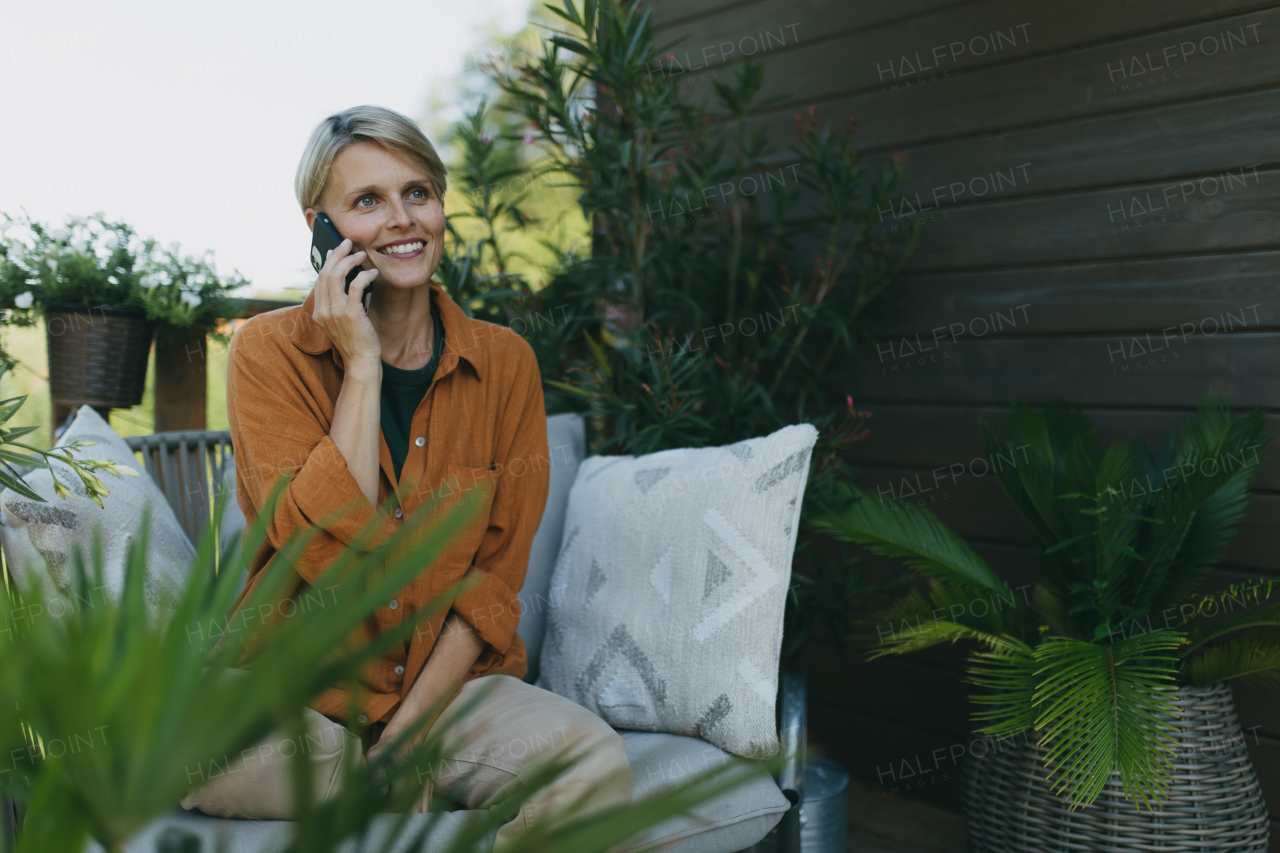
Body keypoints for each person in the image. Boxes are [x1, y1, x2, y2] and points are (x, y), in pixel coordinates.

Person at [188, 105, 632, 843]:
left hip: (445, 689)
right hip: (298, 694)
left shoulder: (505, 363)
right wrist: (359, 363)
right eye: (367, 201)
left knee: (593, 765)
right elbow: (322, 553)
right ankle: (380, 790)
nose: (402, 220)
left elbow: (491, 581)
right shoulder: (268, 354)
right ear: (320, 228)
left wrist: (409, 733)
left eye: (417, 192)